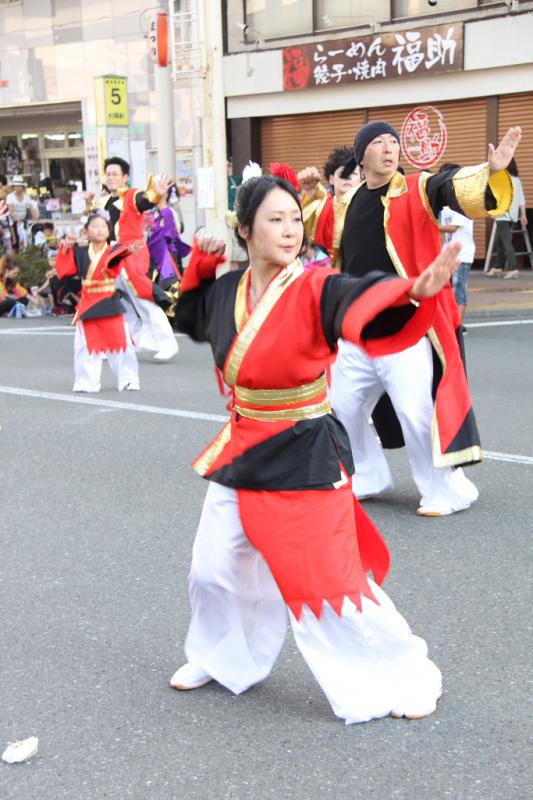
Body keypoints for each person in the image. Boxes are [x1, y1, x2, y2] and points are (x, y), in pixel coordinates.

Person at [168, 173, 464, 724]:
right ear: (246, 231)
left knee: (329, 585)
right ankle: (220, 656)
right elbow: (188, 316)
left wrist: (412, 292)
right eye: (274, 220)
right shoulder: (231, 293)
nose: (288, 230)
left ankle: (397, 672)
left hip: (305, 451)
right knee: (213, 567)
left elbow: (355, 298)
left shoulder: (313, 286)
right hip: (242, 445)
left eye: (293, 219)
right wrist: (201, 265)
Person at [314, 121, 519, 516]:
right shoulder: (350, 201)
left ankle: (444, 490)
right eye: (378, 143)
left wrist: (491, 172)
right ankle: (369, 475)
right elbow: (321, 231)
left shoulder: (416, 189)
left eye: (393, 142)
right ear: (362, 155)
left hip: (405, 328)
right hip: (358, 332)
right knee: (343, 405)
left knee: (414, 411)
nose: (390, 149)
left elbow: (450, 185)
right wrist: (307, 193)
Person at [99, 157, 178, 361]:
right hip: (112, 255)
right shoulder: (104, 202)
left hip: (132, 253)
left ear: (125, 177)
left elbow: (146, 200)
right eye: (108, 174)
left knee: (142, 298)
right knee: (112, 299)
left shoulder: (132, 195)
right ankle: (124, 343)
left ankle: (167, 343)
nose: (111, 177)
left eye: (115, 174)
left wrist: (156, 193)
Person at [55, 210, 140, 393]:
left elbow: (116, 259)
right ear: (86, 231)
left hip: (109, 299)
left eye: (103, 227)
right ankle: (86, 382)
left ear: (109, 231)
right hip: (89, 302)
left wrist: (129, 250)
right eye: (94, 226)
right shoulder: (79, 251)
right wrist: (65, 248)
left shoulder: (114, 250)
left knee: (120, 341)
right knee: (85, 344)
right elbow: (65, 271)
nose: (99, 230)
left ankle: (128, 379)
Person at [297, 145, 362, 268]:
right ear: (331, 179)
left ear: (361, 178)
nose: (347, 176)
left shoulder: (368, 208)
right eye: (342, 173)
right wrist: (310, 191)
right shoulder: (322, 207)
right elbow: (308, 222)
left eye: (353, 173)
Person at [438, 164, 476, 327]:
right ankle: (450, 322)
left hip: (462, 255)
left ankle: (457, 325)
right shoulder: (445, 205)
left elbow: (452, 227)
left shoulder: (462, 201)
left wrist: (429, 225)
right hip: (448, 254)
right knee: (447, 290)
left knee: (458, 289)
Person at [487, 157, 527, 279]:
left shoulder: (503, 179)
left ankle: (514, 268)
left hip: (502, 215)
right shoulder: (516, 180)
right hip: (512, 216)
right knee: (500, 242)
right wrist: (523, 215)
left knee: (506, 242)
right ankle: (498, 267)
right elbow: (521, 199)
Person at [6, 175, 38, 250]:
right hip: (13, 223)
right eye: (16, 186)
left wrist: (36, 218)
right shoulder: (10, 197)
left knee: (27, 240)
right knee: (15, 242)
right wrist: (17, 220)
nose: (18, 188)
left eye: (20, 186)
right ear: (13, 187)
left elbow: (31, 208)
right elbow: (11, 211)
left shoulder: (27, 197)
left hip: (23, 222)